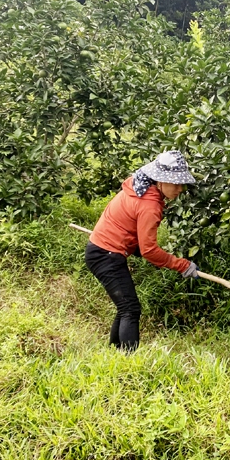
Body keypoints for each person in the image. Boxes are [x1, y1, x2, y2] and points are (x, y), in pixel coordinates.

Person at [85, 150, 199, 351]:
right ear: (160, 180)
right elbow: (148, 250)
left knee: (125, 307)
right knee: (130, 309)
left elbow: (136, 240)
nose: (180, 189)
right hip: (106, 255)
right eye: (176, 183)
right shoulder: (150, 205)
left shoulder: (138, 186)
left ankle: (114, 354)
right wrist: (181, 265)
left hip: (102, 250)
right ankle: (130, 362)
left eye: (182, 183)